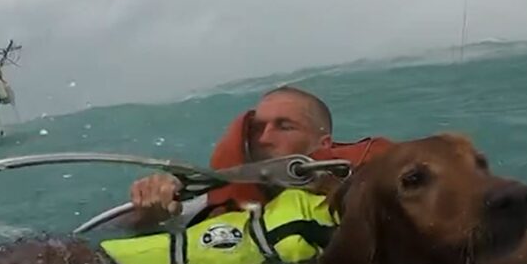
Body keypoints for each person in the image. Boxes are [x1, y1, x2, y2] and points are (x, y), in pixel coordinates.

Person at [127, 86, 393, 229]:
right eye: (257, 128)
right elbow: (130, 233)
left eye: (285, 126)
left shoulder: (364, 190)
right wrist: (150, 213)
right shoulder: (205, 202)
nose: (264, 138)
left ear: (323, 143)